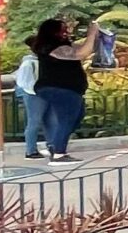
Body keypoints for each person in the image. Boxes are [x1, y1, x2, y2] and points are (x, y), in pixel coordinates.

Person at [26, 17, 90, 162]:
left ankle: (55, 145)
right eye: (62, 30)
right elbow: (82, 53)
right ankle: (59, 153)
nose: (66, 32)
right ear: (52, 32)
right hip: (60, 87)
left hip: (70, 89)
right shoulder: (51, 47)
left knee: (76, 117)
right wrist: (92, 34)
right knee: (66, 119)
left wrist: (96, 38)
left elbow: (83, 48)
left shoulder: (63, 45)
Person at [13, 39, 46, 158]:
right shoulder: (29, 63)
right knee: (34, 121)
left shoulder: (40, 61)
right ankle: (31, 150)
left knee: (44, 121)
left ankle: (49, 146)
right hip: (33, 94)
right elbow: (24, 81)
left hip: (41, 92)